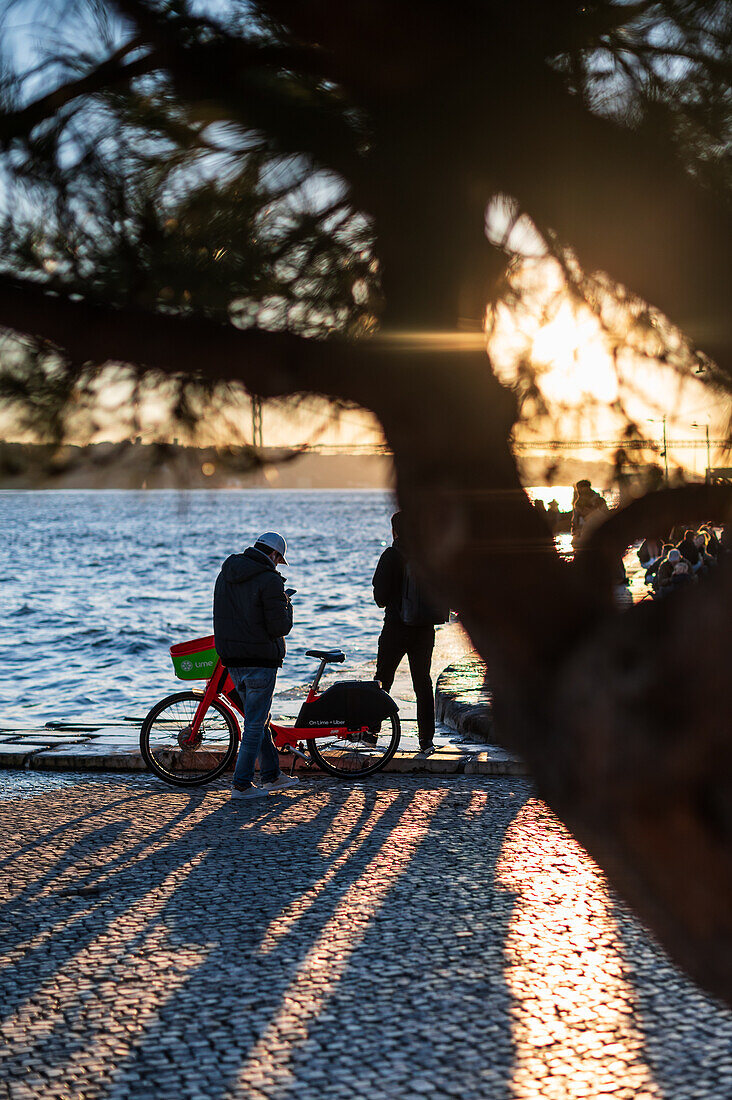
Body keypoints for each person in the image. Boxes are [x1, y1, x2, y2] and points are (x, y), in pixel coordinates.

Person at [213, 531, 297, 801]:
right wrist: (287, 603)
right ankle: (241, 784)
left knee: (256, 720)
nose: (277, 565)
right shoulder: (270, 580)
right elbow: (280, 626)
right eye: (278, 559)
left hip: (233, 659)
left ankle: (272, 775)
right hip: (260, 661)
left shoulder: (227, 572)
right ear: (273, 555)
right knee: (254, 723)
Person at [372, 512, 448, 757]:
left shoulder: (392, 555)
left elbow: (380, 598)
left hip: (395, 627)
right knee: (422, 683)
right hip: (425, 630)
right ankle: (426, 740)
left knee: (383, 680)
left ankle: (371, 733)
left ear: (395, 531)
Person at [571, 480, 609, 545]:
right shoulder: (578, 503)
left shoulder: (599, 500)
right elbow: (576, 519)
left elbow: (605, 515)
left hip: (597, 529)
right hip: (584, 531)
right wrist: (576, 530)